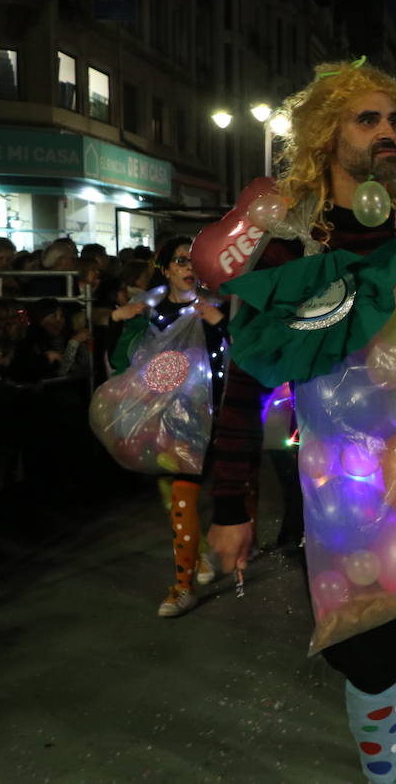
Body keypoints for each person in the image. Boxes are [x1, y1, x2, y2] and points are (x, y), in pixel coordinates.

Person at [206, 60, 396, 784]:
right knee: (367, 659)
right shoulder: (289, 247)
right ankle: (388, 778)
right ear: (325, 134)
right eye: (369, 120)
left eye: (395, 120)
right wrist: (232, 505)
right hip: (341, 496)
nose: (387, 133)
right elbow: (244, 382)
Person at [111, 237, 227, 617]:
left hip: (207, 416)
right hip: (162, 418)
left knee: (200, 494)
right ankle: (192, 570)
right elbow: (124, 350)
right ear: (165, 269)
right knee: (174, 495)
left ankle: (193, 574)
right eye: (180, 261)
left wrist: (217, 320)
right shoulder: (152, 307)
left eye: (193, 261)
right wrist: (123, 319)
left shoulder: (213, 306)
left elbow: (235, 343)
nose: (188, 268)